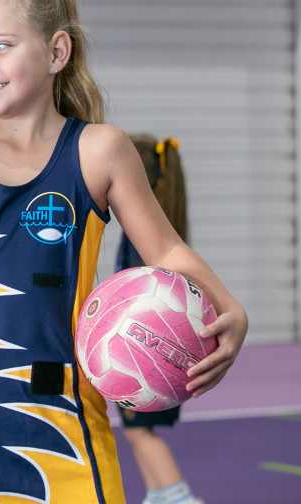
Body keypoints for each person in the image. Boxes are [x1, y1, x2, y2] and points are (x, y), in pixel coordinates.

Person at [0, 0, 248, 503]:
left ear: (56, 51)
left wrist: (232, 307)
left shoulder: (98, 150)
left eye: (1, 46)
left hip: (69, 420)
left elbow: (169, 251)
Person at [116, 135, 203, 504]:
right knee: (138, 430)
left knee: (140, 432)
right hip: (151, 354)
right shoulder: (160, 228)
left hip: (147, 354)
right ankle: (158, 493)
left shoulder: (146, 237)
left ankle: (178, 495)